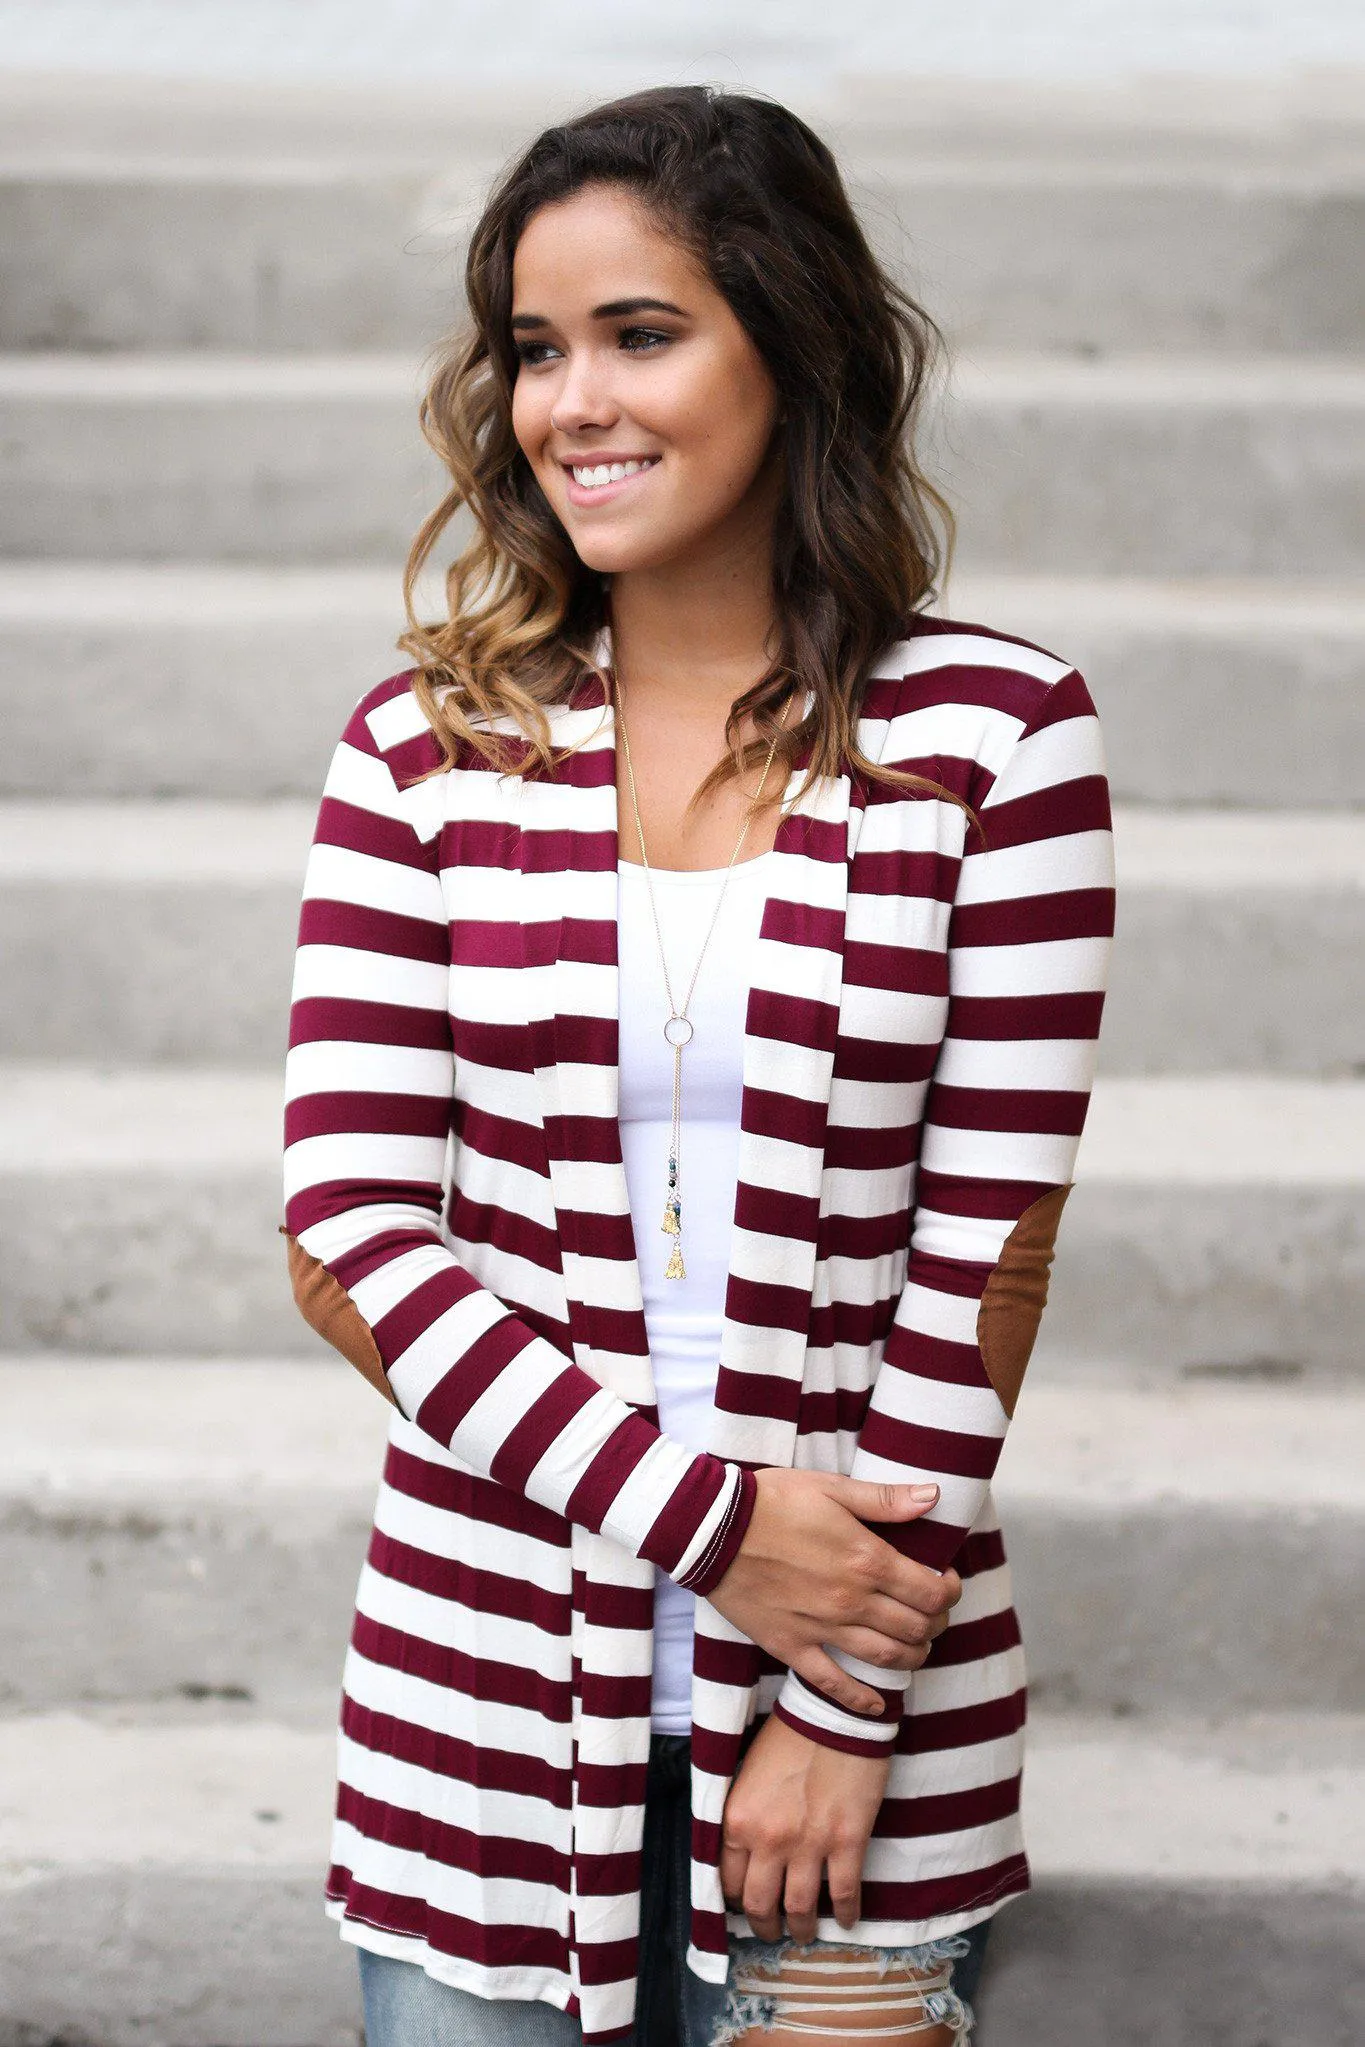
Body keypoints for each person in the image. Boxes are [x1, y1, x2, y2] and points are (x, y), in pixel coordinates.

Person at [281, 83, 1115, 2047]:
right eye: (534, 351)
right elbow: (349, 1237)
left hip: (858, 1759)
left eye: (640, 333)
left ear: (792, 347)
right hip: (475, 1720)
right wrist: (718, 1529)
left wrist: (836, 1701)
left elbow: (978, 1260)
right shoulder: (424, 747)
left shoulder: (998, 738)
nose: (574, 400)